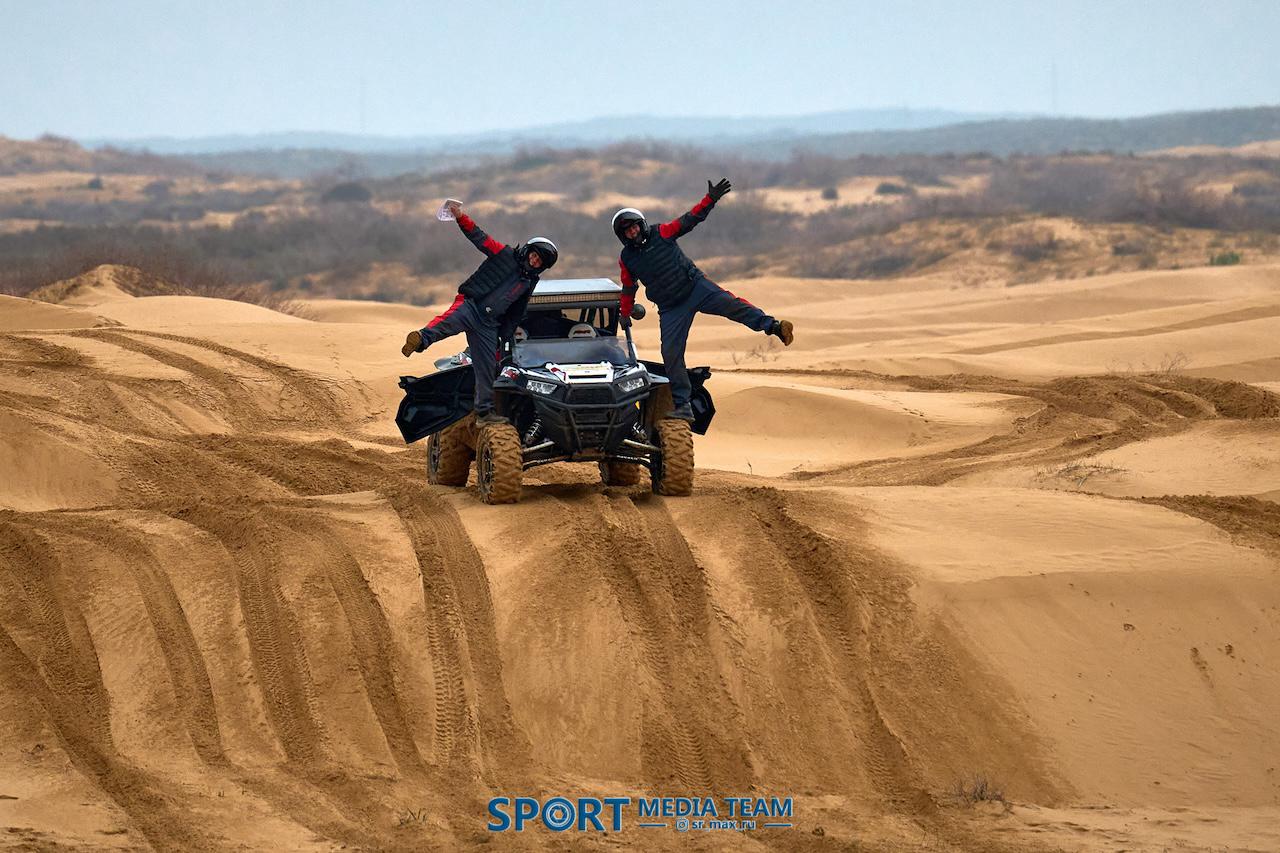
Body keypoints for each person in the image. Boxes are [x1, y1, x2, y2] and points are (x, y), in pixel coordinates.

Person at [612, 178, 793, 420]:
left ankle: (775, 327)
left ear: (641, 224)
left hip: (695, 286)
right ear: (622, 236)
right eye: (627, 231)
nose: (632, 232)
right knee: (671, 353)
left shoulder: (662, 232)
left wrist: (711, 199)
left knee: (733, 305)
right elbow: (627, 287)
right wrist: (624, 314)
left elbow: (690, 219)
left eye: (634, 227)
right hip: (670, 307)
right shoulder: (627, 258)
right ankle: (683, 405)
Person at [403, 201, 558, 424]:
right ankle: (420, 340)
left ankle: (484, 413)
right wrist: (459, 216)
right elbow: (480, 238)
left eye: (539, 261)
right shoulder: (503, 253)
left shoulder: (529, 281)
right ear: (528, 251)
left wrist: (505, 335)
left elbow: (517, 310)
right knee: (445, 324)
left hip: (489, 325)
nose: (534, 261)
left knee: (486, 369)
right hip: (471, 305)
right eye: (534, 255)